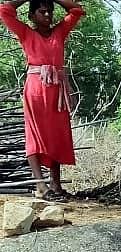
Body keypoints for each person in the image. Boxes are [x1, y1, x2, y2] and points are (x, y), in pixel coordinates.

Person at [0, 0, 83, 202]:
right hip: (36, 89)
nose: (47, 15)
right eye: (42, 11)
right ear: (32, 15)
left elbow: (76, 10)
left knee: (57, 134)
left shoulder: (59, 32)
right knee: (35, 135)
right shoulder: (26, 33)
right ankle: (40, 185)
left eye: (50, 11)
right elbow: (4, 10)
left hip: (57, 91)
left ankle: (56, 184)